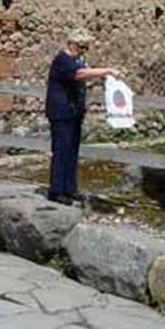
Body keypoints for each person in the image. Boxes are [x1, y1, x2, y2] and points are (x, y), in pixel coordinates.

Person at [44, 28, 118, 204]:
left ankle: (70, 189)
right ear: (72, 44)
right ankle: (57, 190)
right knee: (62, 150)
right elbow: (80, 74)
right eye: (82, 47)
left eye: (86, 48)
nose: (84, 51)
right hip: (61, 112)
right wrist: (106, 71)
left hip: (74, 112)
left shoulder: (78, 61)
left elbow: (85, 73)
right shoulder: (63, 60)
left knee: (72, 151)